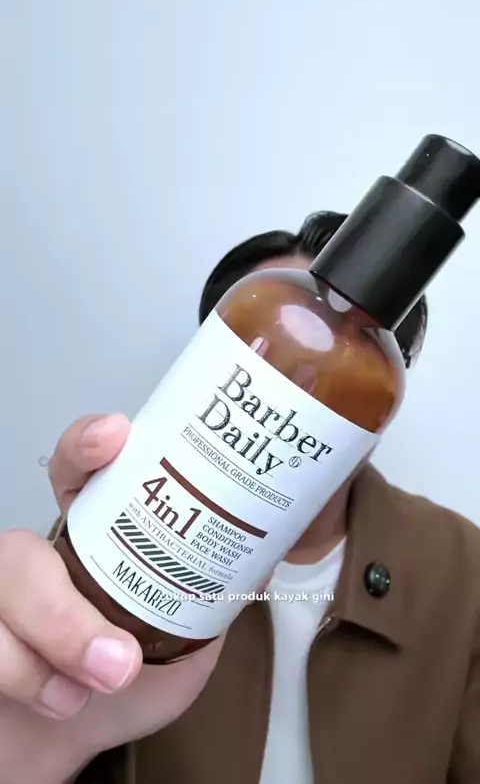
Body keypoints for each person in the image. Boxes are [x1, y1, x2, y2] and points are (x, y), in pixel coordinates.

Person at [1, 211, 479, 784]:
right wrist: (53, 732)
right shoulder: (105, 551)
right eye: (268, 357)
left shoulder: (460, 569)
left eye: (344, 368)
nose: (295, 395)